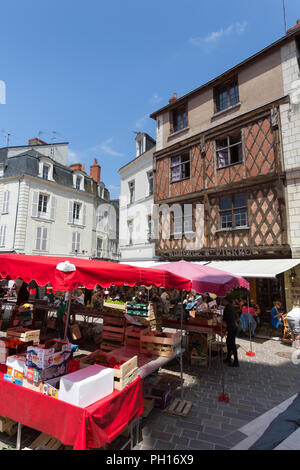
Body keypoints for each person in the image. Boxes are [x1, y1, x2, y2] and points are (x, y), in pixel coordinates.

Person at [221, 296, 239, 367]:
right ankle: (228, 358)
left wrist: (220, 322)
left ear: (225, 301)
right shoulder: (231, 306)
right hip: (234, 327)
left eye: (222, 301)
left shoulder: (227, 308)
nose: (222, 302)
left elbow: (224, 321)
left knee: (232, 344)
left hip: (231, 328)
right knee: (228, 343)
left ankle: (236, 361)